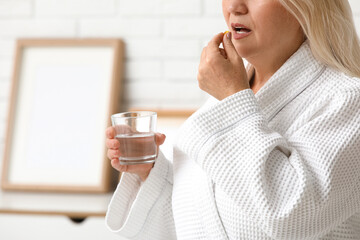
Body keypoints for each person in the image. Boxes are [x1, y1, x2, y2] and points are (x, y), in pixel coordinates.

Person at [105, 0, 360, 239]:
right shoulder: (230, 99)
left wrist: (232, 98)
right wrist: (150, 172)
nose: (234, 6)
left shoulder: (348, 101)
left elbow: (292, 214)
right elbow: (196, 224)